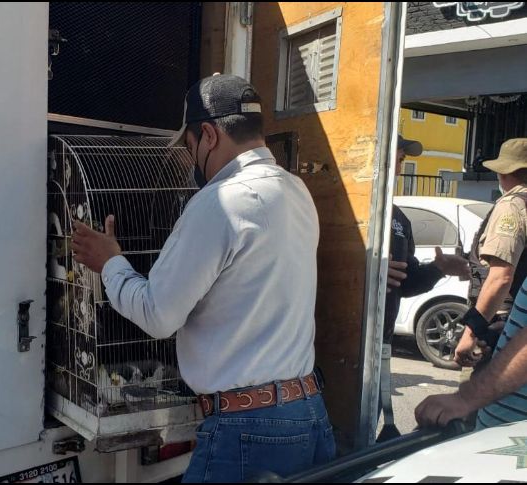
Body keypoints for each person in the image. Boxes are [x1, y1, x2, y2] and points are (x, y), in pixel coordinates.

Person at [71, 74, 334, 482]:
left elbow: (158, 315)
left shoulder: (219, 201)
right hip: (308, 413)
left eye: (190, 147)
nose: (191, 161)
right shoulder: (296, 190)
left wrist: (110, 262)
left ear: (208, 135)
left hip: (249, 429)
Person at [415, 139, 527, 429]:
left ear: (504, 174)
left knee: (465, 426)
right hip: (509, 330)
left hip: (499, 332)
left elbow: (501, 276)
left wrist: (472, 330)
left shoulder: (512, 206)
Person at [377, 136, 470, 441]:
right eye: (395, 157)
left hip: (378, 345)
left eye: (403, 160)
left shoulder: (398, 218)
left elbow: (405, 282)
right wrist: (365, 269)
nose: (399, 167)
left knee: (360, 435)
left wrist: (438, 268)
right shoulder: (346, 209)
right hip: (331, 346)